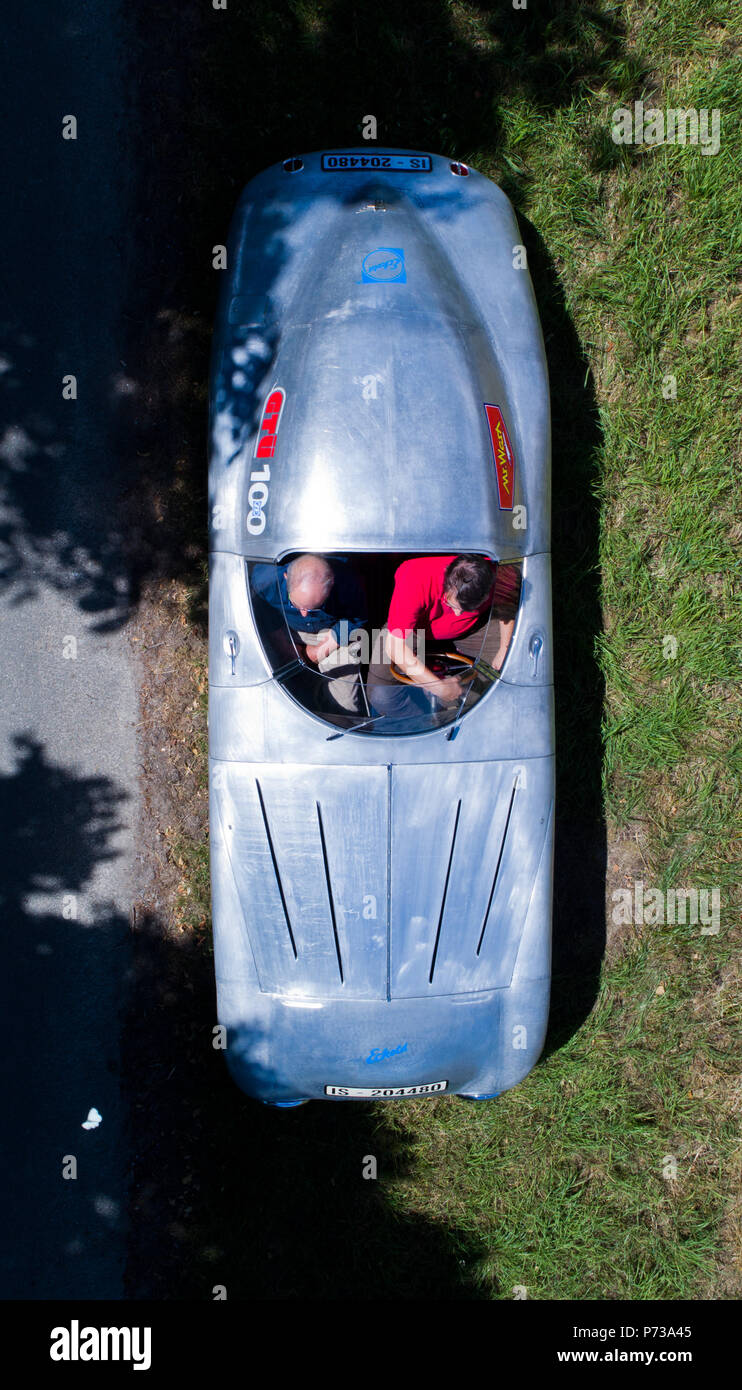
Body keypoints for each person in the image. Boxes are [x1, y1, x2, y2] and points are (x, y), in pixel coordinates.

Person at [366, 553, 521, 720]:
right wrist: (437, 687)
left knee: (510, 668)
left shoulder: (500, 574)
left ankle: (465, 710)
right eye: (451, 605)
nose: (456, 613)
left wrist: (504, 649)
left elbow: (507, 604)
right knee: (380, 695)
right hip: (414, 630)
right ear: (447, 581)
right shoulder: (414, 577)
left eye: (467, 609)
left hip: (473, 628)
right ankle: (425, 723)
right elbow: (395, 648)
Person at [250, 554, 367, 713]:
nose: (304, 613)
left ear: (331, 584)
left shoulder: (347, 581)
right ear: (286, 577)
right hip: (286, 629)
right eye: (296, 604)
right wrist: (284, 646)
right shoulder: (264, 579)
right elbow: (262, 612)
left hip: (332, 632)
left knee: (345, 700)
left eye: (314, 607)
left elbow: (356, 620)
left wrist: (316, 652)